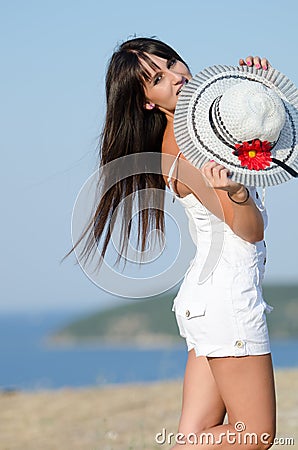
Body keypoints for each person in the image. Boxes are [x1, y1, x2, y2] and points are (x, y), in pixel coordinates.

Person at [70, 37, 276, 449]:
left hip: (207, 297)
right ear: (146, 101)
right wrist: (237, 194)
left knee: (193, 437)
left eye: (171, 62)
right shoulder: (188, 145)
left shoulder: (194, 131)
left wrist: (257, 92)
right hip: (228, 299)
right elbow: (249, 230)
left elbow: (260, 141)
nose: (176, 76)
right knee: (256, 436)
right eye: (157, 78)